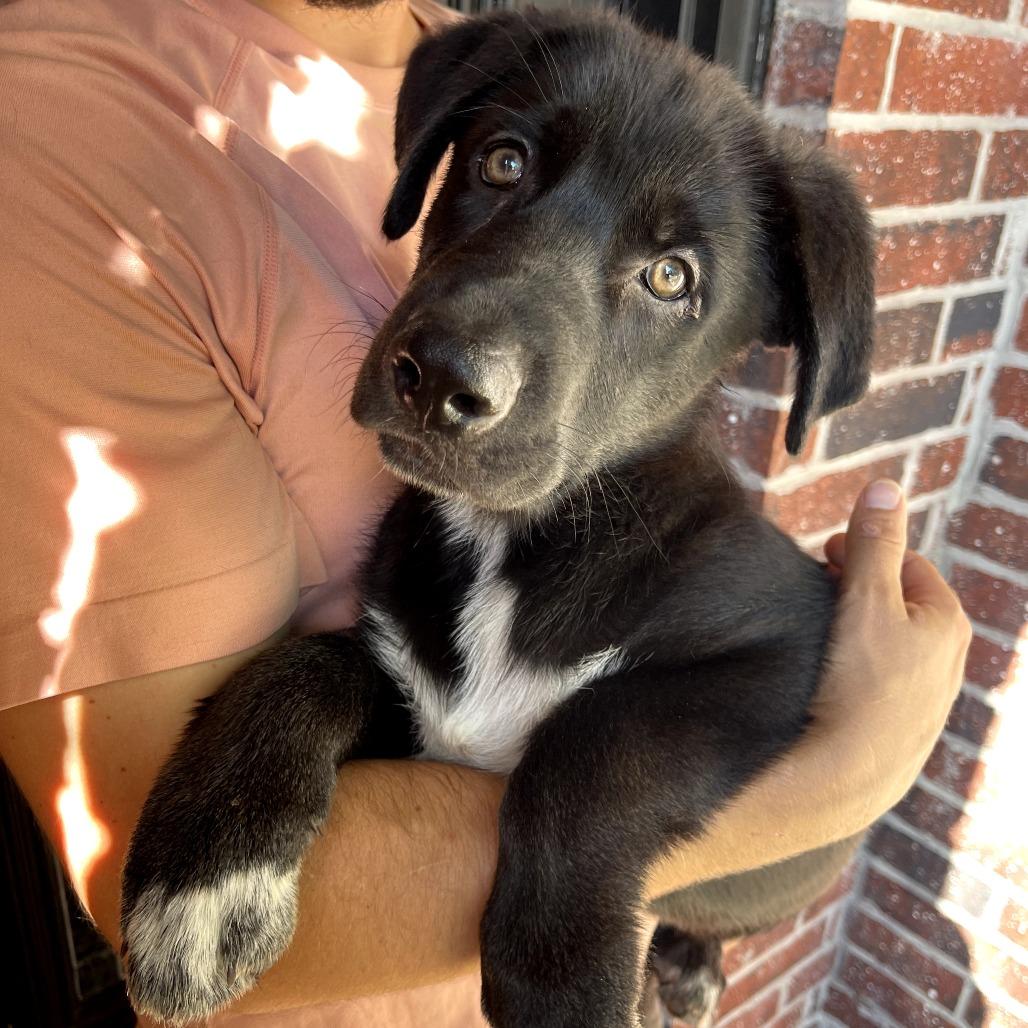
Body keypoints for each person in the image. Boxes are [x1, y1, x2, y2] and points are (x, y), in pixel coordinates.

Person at [0, 0, 971, 1025]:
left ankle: (692, 942)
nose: (473, 350)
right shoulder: (63, 119)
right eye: (504, 167)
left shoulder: (701, 570)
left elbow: (767, 685)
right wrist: (848, 770)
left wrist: (582, 823)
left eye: (668, 276)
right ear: (437, 159)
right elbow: (402, 693)